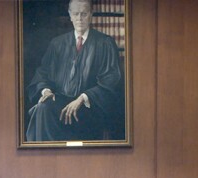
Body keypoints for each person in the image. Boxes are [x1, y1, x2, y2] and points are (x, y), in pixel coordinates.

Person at [24, 0, 125, 142]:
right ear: (70, 15)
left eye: (84, 14)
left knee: (44, 111)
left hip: (90, 110)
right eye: (76, 14)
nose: (79, 18)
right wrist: (45, 90)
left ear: (91, 15)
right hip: (61, 105)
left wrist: (82, 98)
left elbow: (111, 81)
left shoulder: (105, 43)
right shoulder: (57, 44)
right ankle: (45, 158)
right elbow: (42, 74)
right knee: (43, 107)